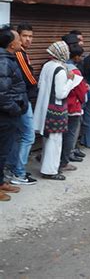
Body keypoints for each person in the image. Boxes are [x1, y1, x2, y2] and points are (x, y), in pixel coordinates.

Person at [33, 41, 82, 180]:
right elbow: (61, 93)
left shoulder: (47, 66)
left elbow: (40, 84)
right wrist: (71, 81)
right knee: (55, 141)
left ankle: (45, 166)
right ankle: (50, 171)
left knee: (47, 139)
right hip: (55, 109)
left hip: (44, 106)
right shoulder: (61, 70)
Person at [6, 23, 38, 185]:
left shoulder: (20, 53)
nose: (28, 39)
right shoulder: (19, 54)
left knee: (18, 135)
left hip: (19, 99)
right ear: (17, 38)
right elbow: (29, 78)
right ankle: (18, 171)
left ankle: (13, 168)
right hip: (21, 100)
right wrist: (37, 88)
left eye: (31, 36)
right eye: (25, 36)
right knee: (28, 135)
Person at [0, 25, 28, 200]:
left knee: (4, 150)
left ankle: (1, 182)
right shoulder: (3, 62)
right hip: (5, 116)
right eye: (18, 38)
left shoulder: (8, 59)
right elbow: (2, 95)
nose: (21, 41)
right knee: (1, 151)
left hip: (9, 115)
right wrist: (15, 109)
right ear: (11, 44)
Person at [60, 45, 89, 171]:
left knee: (58, 135)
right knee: (70, 135)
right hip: (73, 107)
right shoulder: (75, 71)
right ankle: (65, 161)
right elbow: (81, 92)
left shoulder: (58, 67)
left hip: (60, 107)